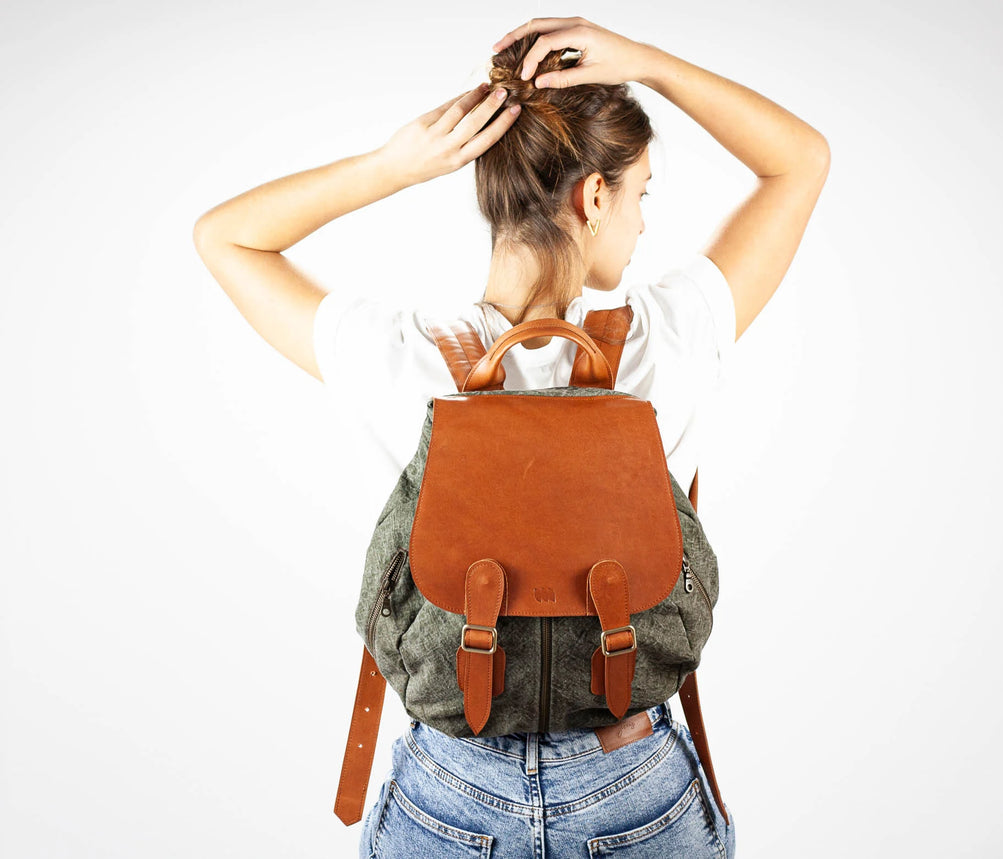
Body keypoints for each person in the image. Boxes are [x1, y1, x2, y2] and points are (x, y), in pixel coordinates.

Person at [193, 15, 829, 858]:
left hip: (452, 789)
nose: (642, 223)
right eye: (640, 194)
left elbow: (224, 236)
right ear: (593, 196)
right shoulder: (669, 337)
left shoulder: (404, 356)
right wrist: (650, 64)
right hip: (633, 783)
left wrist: (392, 166)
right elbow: (800, 160)